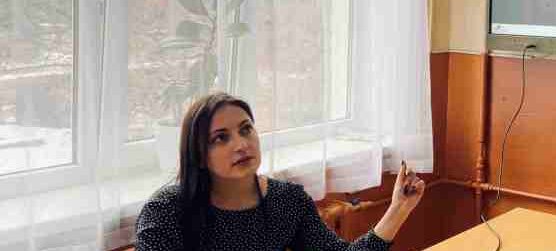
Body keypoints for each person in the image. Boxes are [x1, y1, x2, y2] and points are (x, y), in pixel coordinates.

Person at [135, 92, 426, 250]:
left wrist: (398, 209)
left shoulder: (287, 200)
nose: (241, 144)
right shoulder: (166, 211)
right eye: (221, 138)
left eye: (245, 129)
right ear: (198, 155)